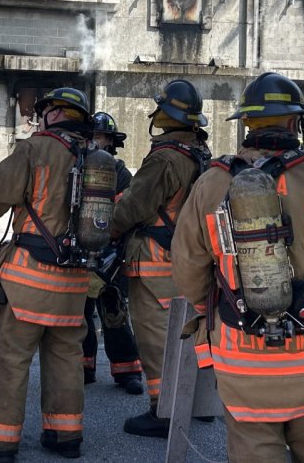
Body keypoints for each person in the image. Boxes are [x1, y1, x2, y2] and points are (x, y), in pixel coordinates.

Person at [172, 72, 304, 461]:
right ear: (295, 122)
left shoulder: (210, 184)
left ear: (246, 124)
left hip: (243, 356)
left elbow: (187, 265)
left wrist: (211, 309)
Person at [0, 87, 94, 462]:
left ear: (51, 114)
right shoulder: (97, 159)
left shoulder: (35, 149)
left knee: (11, 357)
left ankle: (0, 441)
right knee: (66, 357)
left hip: (29, 282)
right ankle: (65, 437)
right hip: (75, 282)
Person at [108, 79, 211, 438]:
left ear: (164, 115)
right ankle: (196, 404)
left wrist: (106, 229)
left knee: (157, 339)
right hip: (189, 260)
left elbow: (135, 207)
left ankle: (162, 411)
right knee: (190, 334)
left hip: (155, 264)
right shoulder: (199, 154)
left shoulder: (165, 158)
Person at [81, 112, 143, 395]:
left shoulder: (119, 173)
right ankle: (83, 367)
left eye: (99, 136)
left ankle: (127, 370)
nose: (94, 142)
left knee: (114, 310)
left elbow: (127, 212)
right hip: (80, 252)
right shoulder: (76, 168)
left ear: (110, 141)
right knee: (80, 314)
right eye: (90, 135)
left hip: (112, 254)